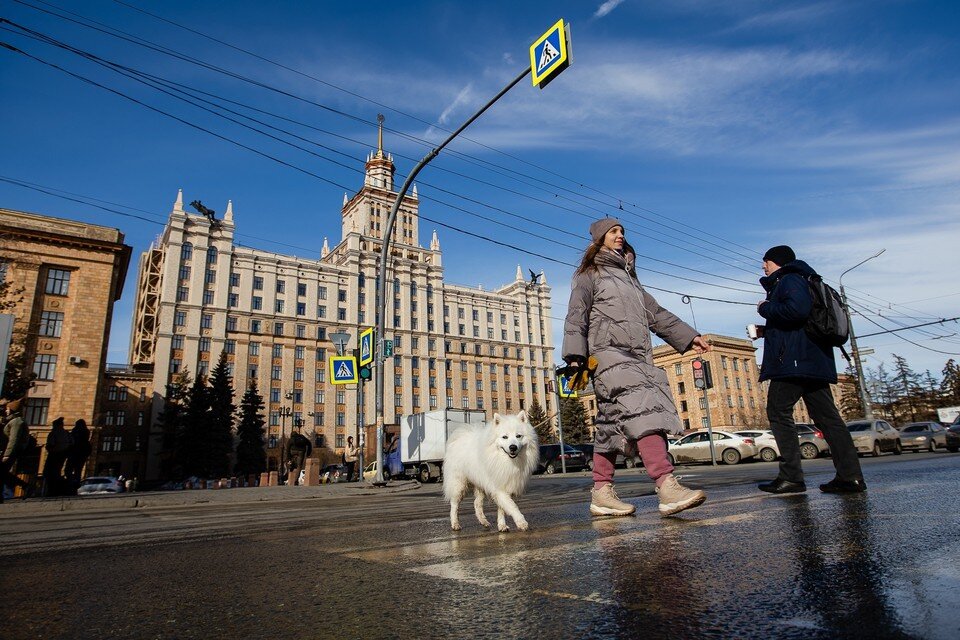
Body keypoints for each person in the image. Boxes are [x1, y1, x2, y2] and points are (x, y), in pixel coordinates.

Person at [564, 217, 712, 517]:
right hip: (608, 354)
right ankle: (666, 484)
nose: (619, 235)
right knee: (646, 411)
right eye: (613, 232)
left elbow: (655, 314)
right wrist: (575, 357)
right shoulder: (589, 274)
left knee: (610, 424)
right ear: (599, 239)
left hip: (638, 355)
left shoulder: (631, 280)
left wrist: (689, 335)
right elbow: (576, 314)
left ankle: (601, 492)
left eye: (622, 232)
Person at [755, 245, 866, 494]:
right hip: (811, 360)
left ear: (777, 262)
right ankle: (850, 476)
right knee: (829, 419)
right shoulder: (804, 279)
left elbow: (796, 311)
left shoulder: (789, 279)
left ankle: (791, 477)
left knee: (778, 411)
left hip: (794, 363)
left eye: (766, 262)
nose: (763, 266)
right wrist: (767, 329)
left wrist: (764, 308)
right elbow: (800, 320)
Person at [1, 398, 33, 501]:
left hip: (11, 451)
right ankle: (24, 485)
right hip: (10, 451)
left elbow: (13, 439)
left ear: (12, 410)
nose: (5, 411)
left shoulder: (16, 422)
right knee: (3, 472)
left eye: (7, 409)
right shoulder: (13, 420)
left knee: (2, 472)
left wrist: (7, 454)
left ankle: (24, 485)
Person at [42, 416, 73, 497]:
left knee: (49, 472)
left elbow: (51, 444)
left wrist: (49, 448)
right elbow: (72, 442)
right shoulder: (66, 433)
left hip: (54, 454)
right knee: (58, 472)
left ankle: (51, 491)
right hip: (63, 455)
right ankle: (59, 490)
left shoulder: (53, 433)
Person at [64, 418, 92, 488]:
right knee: (78, 470)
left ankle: (71, 482)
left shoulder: (76, 432)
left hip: (74, 453)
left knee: (68, 469)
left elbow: (72, 441)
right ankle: (76, 483)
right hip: (82, 455)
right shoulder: (86, 433)